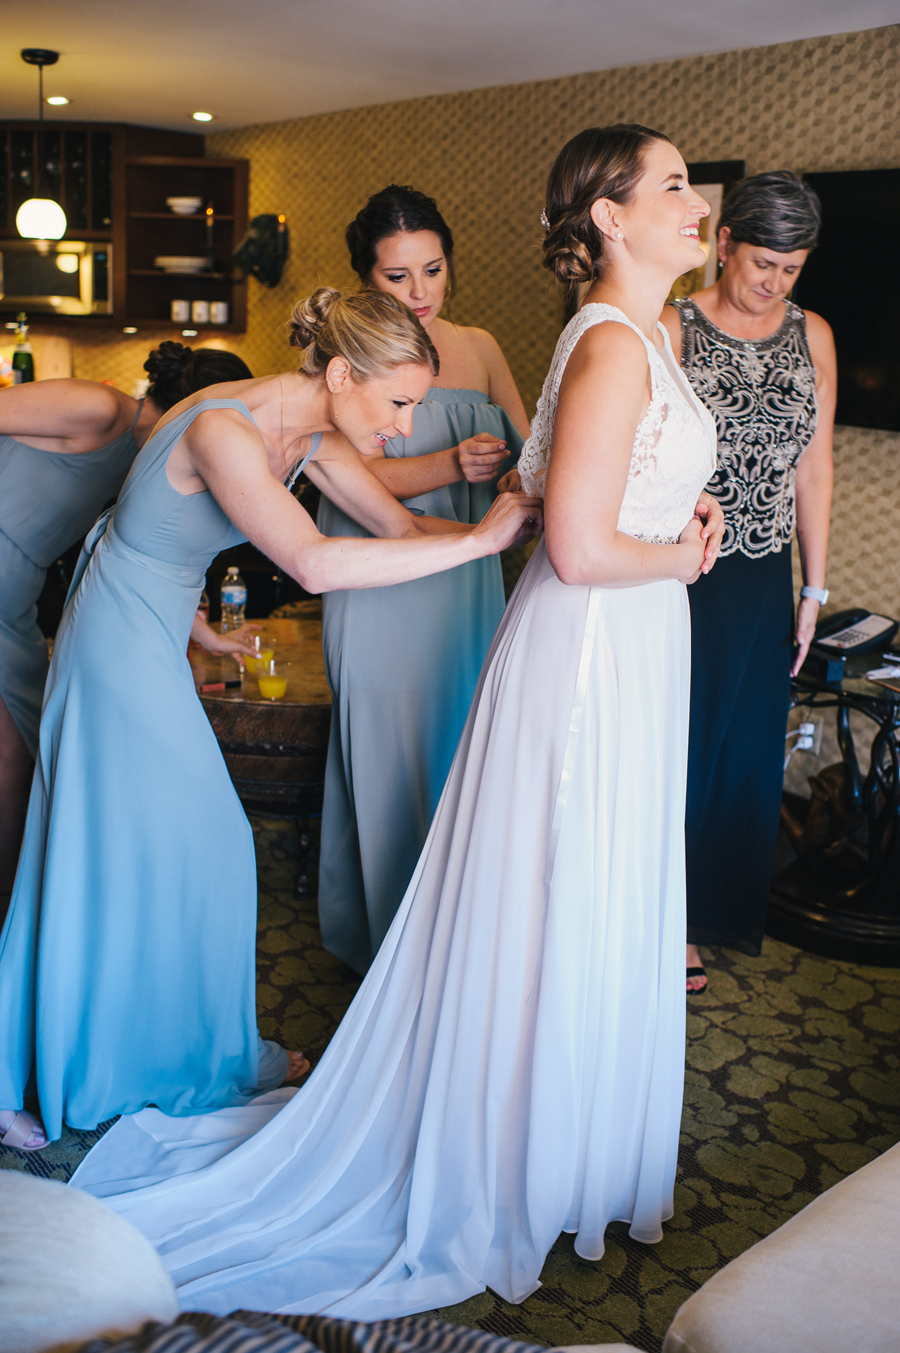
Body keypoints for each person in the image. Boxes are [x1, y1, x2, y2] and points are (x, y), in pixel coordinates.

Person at [72, 124, 723, 1318]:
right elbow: (356, 545)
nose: (702, 200)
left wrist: (609, 524)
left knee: (576, 875)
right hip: (560, 622)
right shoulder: (252, 420)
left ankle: (568, 1138)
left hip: (579, 619)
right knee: (514, 866)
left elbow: (540, 499)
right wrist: (643, 551)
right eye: (677, 184)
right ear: (611, 220)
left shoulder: (623, 340)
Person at [0, 288, 540, 1151]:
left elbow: (394, 524)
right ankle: (79, 1063)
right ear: (338, 371)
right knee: (184, 839)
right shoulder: (223, 429)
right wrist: (480, 542)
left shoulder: (316, 436)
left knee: (156, 845)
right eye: (399, 402)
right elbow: (314, 563)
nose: (407, 426)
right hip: (112, 642)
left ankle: (165, 1052)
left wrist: (533, 530)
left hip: (153, 619)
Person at [317, 185, 531, 974]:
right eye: (397, 278)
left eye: (432, 271)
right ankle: (385, 957)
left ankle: (457, 958)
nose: (419, 294)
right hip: (378, 581)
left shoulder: (479, 346)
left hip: (467, 580)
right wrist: (446, 463)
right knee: (385, 757)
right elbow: (346, 477)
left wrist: (514, 481)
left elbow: (530, 448)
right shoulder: (339, 362)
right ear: (363, 281)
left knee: (461, 750)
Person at [0, 342, 253, 921]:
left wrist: (204, 633)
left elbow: (128, 554)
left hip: (15, 595)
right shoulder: (98, 409)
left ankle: (25, 922)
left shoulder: (150, 465)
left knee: (32, 750)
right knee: (14, 761)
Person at [661, 171, 836, 990]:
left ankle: (703, 913)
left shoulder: (814, 335)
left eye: (792, 268)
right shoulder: (672, 327)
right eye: (763, 261)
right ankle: (655, 918)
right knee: (677, 748)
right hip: (678, 570)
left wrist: (814, 590)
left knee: (745, 755)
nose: (774, 282)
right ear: (723, 244)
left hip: (766, 575)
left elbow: (815, 467)